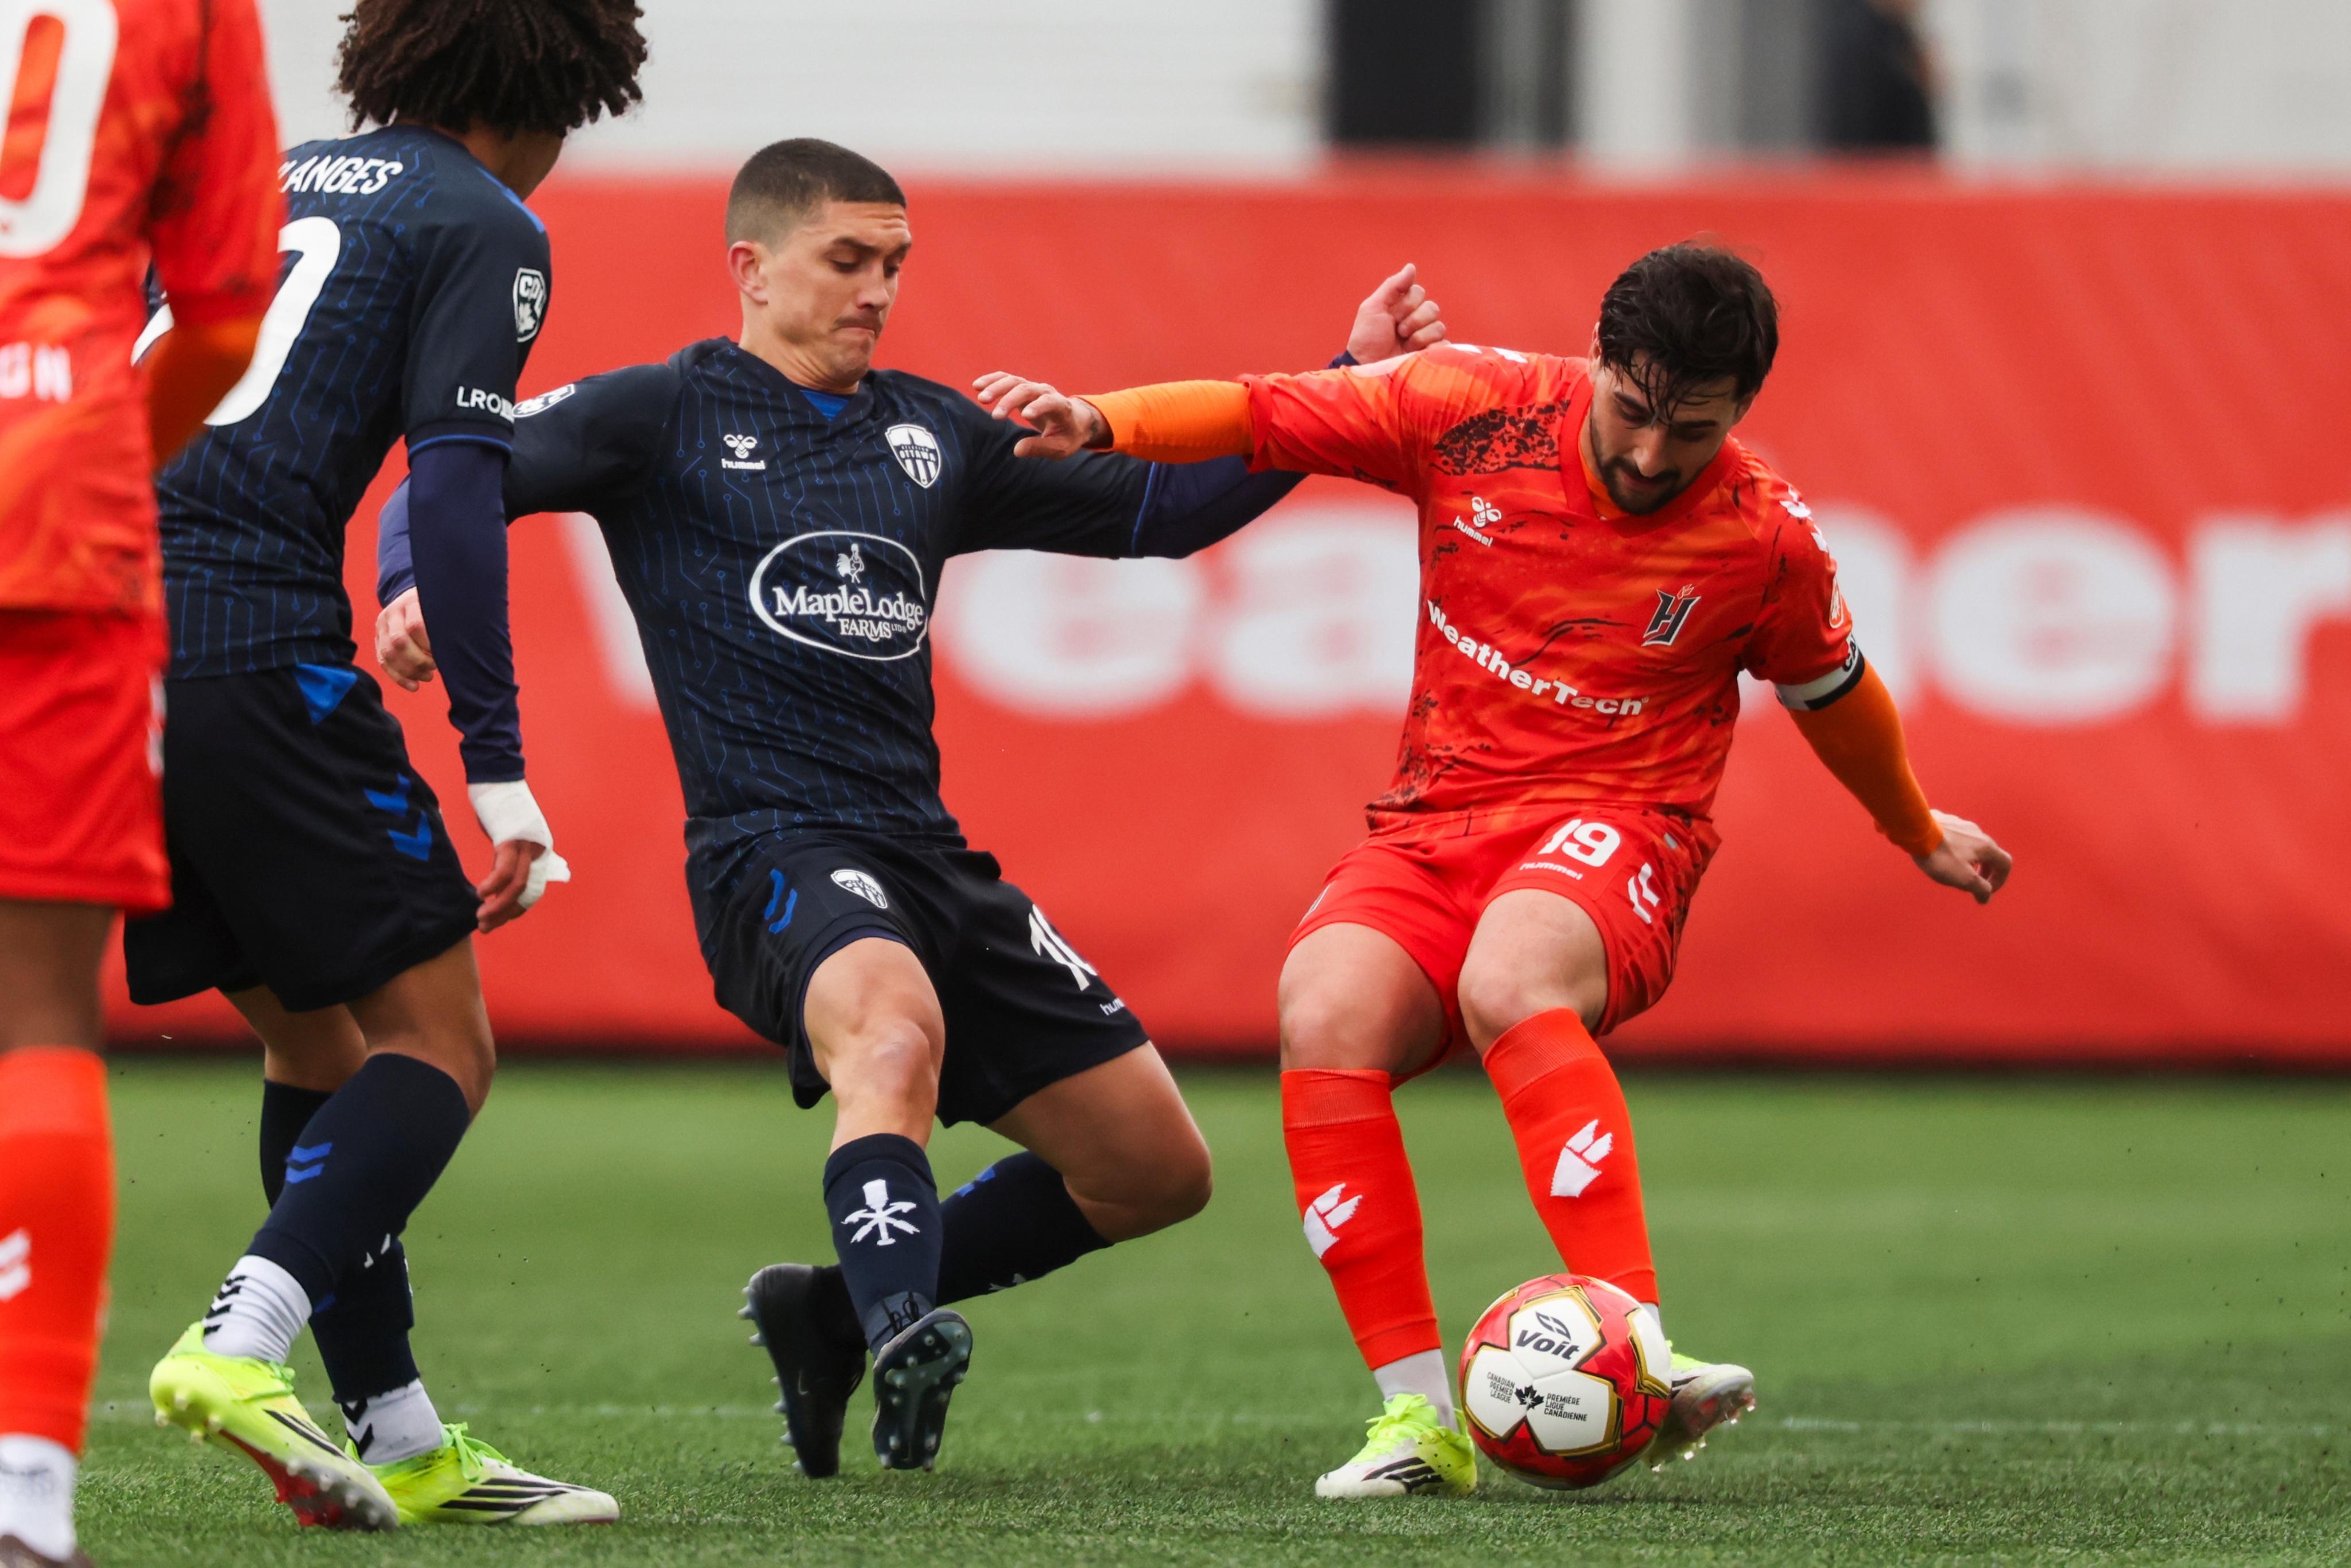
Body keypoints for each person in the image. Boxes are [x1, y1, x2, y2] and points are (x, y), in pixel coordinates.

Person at [371, 137, 1449, 1477]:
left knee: (1154, 1170)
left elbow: (1164, 511)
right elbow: (450, 472)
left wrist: (1346, 382)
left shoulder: (931, 434)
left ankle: (828, 1312)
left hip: (929, 861)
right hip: (768, 851)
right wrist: (407, 582)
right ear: (751, 268)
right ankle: (899, 1328)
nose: (877, 289)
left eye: (894, 263)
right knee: (889, 1036)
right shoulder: (660, 413)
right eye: (847, 260)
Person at [977, 240, 2015, 1497]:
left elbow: (1831, 693)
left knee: (1511, 977)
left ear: (1743, 406)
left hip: (1623, 823)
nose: (1650, 456)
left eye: (1690, 430)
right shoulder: (1467, 406)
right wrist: (1098, 419)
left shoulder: (1765, 539)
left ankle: (1639, 1349)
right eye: (1631, 411)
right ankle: (1417, 1421)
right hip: (1432, 823)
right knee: (1324, 1007)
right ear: (1597, 360)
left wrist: (1913, 828)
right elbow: (1257, 411)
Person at [132, 0, 647, 1532]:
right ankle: (239, 1341)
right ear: (558, 86)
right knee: (441, 1046)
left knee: (320, 1048)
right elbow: (460, 488)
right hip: (252, 652)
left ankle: (405, 1441)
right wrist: (499, 765)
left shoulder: (249, 180)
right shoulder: (484, 220)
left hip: (96, 649)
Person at [0, 2, 281, 1562]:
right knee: (36, 1018)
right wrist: (105, 444)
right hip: (51, 508)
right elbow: (228, 319)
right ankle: (23, 1490)